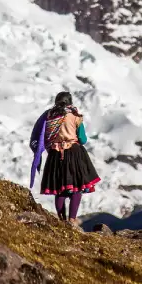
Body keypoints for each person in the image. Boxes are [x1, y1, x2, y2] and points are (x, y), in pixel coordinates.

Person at [29, 91, 100, 226]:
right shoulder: (74, 116)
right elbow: (83, 139)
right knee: (76, 188)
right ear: (70, 102)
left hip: (55, 156)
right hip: (73, 154)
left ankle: (62, 220)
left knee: (59, 189)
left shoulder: (49, 117)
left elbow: (41, 135)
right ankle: (72, 220)